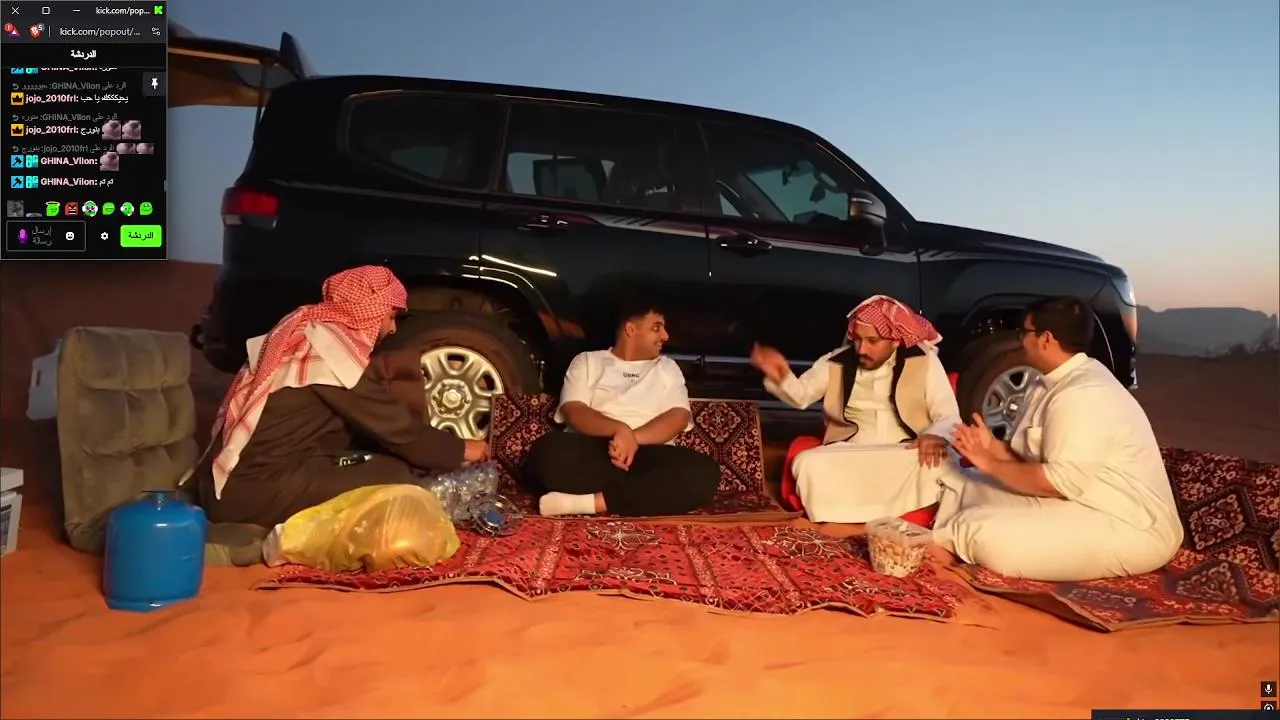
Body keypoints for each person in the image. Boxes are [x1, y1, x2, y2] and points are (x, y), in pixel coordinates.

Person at [200, 265, 488, 528]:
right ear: (370, 311)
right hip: (252, 489)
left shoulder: (308, 334)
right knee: (395, 479)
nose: (393, 328)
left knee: (378, 463)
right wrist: (463, 449)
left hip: (249, 477)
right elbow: (398, 430)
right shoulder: (331, 356)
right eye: (390, 317)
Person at [936, 296, 1184, 581]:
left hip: (1127, 525)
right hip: (1073, 500)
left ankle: (939, 548)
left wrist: (990, 463)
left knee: (977, 530)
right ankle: (945, 537)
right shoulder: (1046, 382)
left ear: (1046, 339)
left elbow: (1058, 482)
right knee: (961, 485)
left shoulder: (1084, 393)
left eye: (1025, 332)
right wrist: (991, 447)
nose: (1020, 340)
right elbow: (1030, 461)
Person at [750, 295, 964, 523]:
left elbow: (948, 414)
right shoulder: (836, 362)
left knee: (942, 463)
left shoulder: (924, 361)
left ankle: (857, 519)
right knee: (808, 463)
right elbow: (801, 396)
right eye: (858, 339)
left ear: (895, 340)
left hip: (904, 453)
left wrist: (934, 435)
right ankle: (850, 519)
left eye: (873, 341)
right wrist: (781, 376)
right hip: (851, 453)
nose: (862, 349)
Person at [522, 300, 721, 517]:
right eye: (656, 328)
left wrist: (632, 439)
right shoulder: (587, 361)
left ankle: (592, 502)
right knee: (546, 453)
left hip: (649, 454)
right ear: (631, 329)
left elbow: (678, 416)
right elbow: (574, 410)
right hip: (595, 450)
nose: (665, 336)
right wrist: (619, 430)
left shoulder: (667, 368)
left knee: (704, 473)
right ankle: (642, 493)